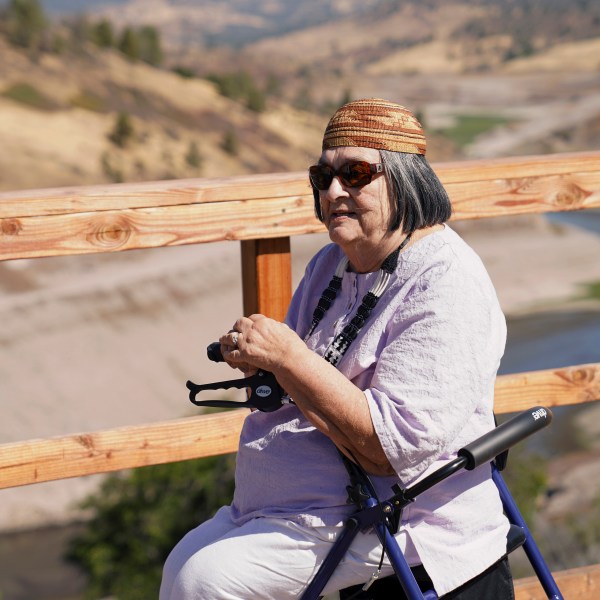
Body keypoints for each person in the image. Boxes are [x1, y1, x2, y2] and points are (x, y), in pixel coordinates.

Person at [159, 98, 512, 599]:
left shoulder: (447, 282)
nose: (333, 191)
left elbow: (391, 450)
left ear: (407, 179)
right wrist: (266, 363)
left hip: (394, 518)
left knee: (205, 581)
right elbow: (305, 379)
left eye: (356, 173)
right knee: (182, 564)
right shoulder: (333, 263)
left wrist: (287, 356)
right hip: (303, 507)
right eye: (322, 177)